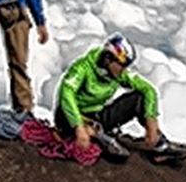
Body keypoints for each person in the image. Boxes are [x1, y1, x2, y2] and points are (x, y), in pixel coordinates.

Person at [54, 33, 178, 162]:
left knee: (139, 98)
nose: (123, 70)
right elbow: (66, 93)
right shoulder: (82, 68)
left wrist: (151, 122)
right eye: (121, 65)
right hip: (69, 116)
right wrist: (78, 126)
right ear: (108, 59)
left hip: (97, 116)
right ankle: (94, 136)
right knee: (117, 155)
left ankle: (159, 146)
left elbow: (148, 90)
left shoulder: (117, 74)